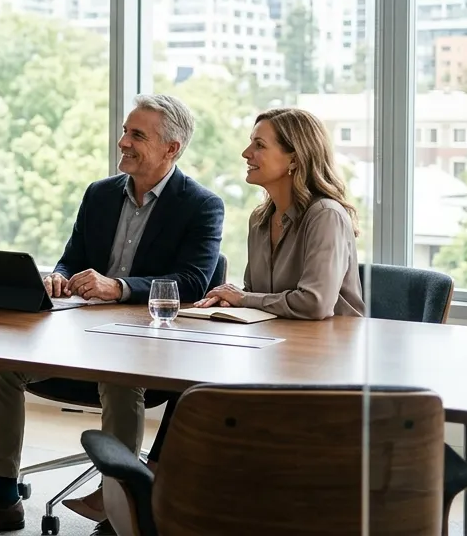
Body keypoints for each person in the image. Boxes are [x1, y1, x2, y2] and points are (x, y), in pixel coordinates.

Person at [0, 94, 225, 535]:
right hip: (81, 336)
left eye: (137, 135)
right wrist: (58, 277)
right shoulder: (100, 194)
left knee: (118, 376)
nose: (123, 141)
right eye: (125, 131)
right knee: (2, 365)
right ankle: (4, 494)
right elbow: (71, 258)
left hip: (146, 348)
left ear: (172, 148)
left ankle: (118, 509)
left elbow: (192, 282)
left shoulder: (201, 205)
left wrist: (118, 287)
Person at [142, 106, 365, 467]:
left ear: (294, 158)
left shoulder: (325, 215)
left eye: (259, 145)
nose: (247, 153)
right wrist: (228, 302)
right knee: (196, 381)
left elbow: (315, 303)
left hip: (325, 362)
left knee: (208, 392)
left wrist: (243, 298)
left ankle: (158, 481)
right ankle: (163, 482)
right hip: (274, 352)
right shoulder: (261, 219)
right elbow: (256, 294)